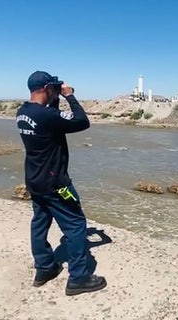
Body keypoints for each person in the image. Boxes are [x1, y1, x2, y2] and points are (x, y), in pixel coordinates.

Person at [16, 70, 106, 296]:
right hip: (57, 185)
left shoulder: (22, 112)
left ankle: (44, 269)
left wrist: (54, 97)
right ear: (47, 89)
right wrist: (69, 96)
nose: (57, 91)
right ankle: (79, 278)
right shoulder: (47, 117)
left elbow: (50, 118)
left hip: (35, 181)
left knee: (39, 223)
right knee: (76, 225)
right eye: (53, 89)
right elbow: (82, 121)